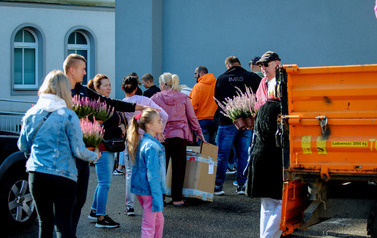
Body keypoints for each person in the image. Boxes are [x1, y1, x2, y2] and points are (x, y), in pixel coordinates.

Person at [63, 53, 147, 235]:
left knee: (80, 199)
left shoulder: (85, 93)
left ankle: (90, 216)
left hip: (90, 151)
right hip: (84, 151)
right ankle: (100, 216)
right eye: (82, 69)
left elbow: (110, 104)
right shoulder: (66, 93)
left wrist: (133, 109)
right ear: (72, 70)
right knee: (101, 184)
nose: (85, 72)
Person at [17, 70, 99, 238]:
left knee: (44, 223)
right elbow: (78, 150)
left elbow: (22, 146)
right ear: (64, 90)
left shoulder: (31, 114)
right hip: (63, 175)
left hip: (37, 174)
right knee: (63, 226)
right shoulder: (68, 115)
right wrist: (94, 155)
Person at [151, 72, 205, 206]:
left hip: (162, 137)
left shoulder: (156, 98)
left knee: (161, 169)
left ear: (163, 84)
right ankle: (177, 198)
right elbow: (192, 117)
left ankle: (160, 198)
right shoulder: (183, 97)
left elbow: (149, 116)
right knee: (179, 168)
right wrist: (199, 132)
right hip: (180, 136)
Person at [118, 75, 167, 217]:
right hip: (147, 139)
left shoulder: (123, 103)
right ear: (137, 87)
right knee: (151, 171)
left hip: (131, 138)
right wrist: (158, 131)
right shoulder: (146, 100)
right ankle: (151, 204)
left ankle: (130, 206)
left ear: (123, 88)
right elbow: (164, 115)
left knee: (130, 172)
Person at [213, 56, 261, 196]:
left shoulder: (222, 78)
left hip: (227, 122)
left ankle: (218, 186)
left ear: (228, 66)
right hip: (246, 122)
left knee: (222, 154)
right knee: (243, 154)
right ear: (239, 64)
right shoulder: (251, 77)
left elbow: (218, 100)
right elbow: (259, 96)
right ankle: (242, 185)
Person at [250, 51, 283, 238]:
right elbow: (257, 107)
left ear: (277, 63)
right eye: (261, 65)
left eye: (266, 65)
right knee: (267, 201)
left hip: (278, 145)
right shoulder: (263, 83)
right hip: (262, 143)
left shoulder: (284, 81)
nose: (263, 68)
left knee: (277, 199)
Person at [87, 74, 126, 228]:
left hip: (106, 147)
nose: (109, 87)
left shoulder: (105, 103)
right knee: (105, 183)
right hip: (102, 148)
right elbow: (101, 129)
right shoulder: (97, 105)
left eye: (110, 85)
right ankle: (101, 218)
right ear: (97, 88)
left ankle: (94, 210)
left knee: (102, 181)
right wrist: (118, 128)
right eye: (105, 85)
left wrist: (120, 126)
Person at [127, 109, 166, 238]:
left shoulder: (144, 142)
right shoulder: (152, 146)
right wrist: (157, 196)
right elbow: (153, 175)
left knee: (158, 220)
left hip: (142, 189)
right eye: (159, 121)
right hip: (150, 191)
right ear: (149, 125)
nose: (162, 124)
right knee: (149, 225)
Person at [190, 66, 218, 145]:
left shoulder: (197, 87)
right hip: (215, 120)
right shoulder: (217, 84)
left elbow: (193, 106)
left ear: (201, 73)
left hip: (202, 120)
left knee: (204, 148)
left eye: (196, 73)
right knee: (213, 147)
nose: (195, 76)